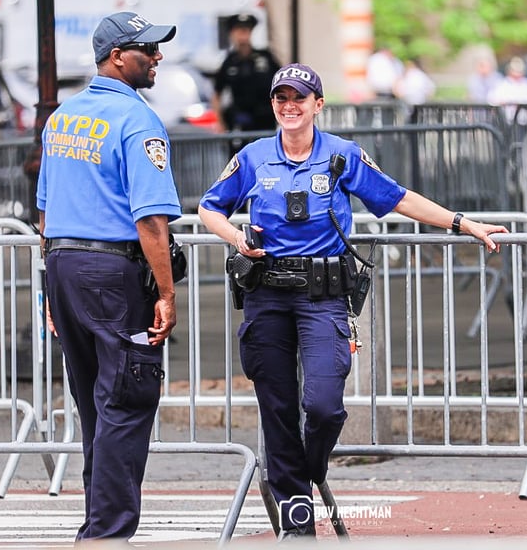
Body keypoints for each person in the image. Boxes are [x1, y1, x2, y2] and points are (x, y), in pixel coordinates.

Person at [196, 63, 507, 539]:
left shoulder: (342, 156)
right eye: (281, 98)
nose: (289, 106)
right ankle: (298, 522)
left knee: (323, 405)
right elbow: (208, 207)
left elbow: (398, 197)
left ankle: (307, 471)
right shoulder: (254, 157)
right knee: (276, 407)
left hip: (322, 297)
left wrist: (464, 224)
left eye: (299, 97)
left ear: (318, 104)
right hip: (266, 295)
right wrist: (236, 237)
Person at [36, 11, 182, 542]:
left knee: (96, 402)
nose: (158, 57)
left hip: (65, 268)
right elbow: (150, 220)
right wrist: (166, 294)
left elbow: (45, 215)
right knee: (126, 398)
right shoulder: (138, 121)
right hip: (113, 273)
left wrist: (48, 290)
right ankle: (106, 533)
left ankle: (97, 523)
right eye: (149, 48)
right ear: (118, 56)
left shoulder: (63, 117)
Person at [212, 12, 282, 135]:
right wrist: (220, 123)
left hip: (265, 120)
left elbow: (282, 84)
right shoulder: (229, 62)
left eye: (246, 30)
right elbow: (217, 94)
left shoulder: (265, 58)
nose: (242, 35)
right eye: (239, 31)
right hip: (240, 122)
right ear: (232, 33)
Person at [488, 56, 527, 120]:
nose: (517, 73)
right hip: (504, 121)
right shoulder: (500, 84)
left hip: (524, 120)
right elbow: (492, 100)